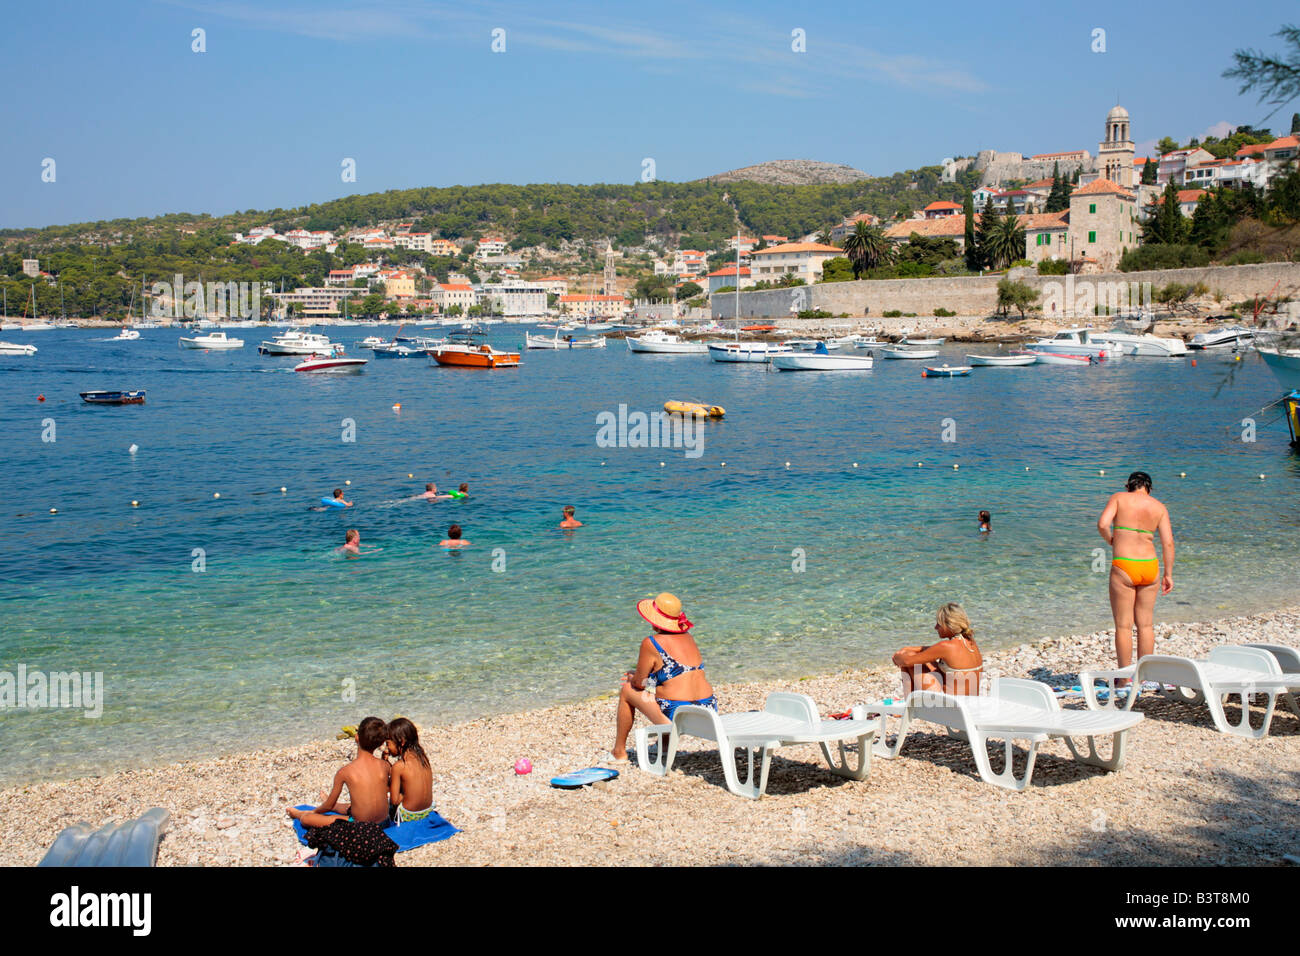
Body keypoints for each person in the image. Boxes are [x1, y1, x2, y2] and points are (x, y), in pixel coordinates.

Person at [609, 592, 715, 763]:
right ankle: (664, 745)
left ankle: (619, 752)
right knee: (660, 684)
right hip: (707, 709)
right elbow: (673, 676)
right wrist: (646, 679)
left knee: (627, 691)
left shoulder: (652, 642)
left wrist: (632, 678)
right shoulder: (689, 637)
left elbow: (639, 684)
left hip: (678, 712)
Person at [1098, 471, 1174, 680]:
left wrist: (1111, 540)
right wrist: (1168, 574)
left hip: (1124, 566)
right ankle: (1145, 678)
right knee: (1146, 624)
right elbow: (1168, 542)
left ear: (1128, 486)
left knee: (1123, 625)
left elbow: (1103, 524)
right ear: (1149, 488)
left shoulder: (1119, 498)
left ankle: (1124, 681)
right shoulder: (1159, 507)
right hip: (1150, 567)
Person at [288, 716, 391, 828]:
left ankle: (298, 814)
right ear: (381, 744)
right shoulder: (385, 766)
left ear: (356, 737)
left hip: (361, 827)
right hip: (384, 822)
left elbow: (327, 807)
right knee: (352, 806)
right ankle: (336, 806)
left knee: (307, 819)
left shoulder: (345, 772)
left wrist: (315, 811)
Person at [891, 603, 983, 696]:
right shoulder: (970, 642)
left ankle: (910, 706)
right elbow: (931, 651)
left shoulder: (946, 646)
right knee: (919, 658)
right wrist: (908, 648)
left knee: (911, 665)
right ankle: (912, 704)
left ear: (948, 624)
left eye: (939, 624)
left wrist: (897, 657)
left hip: (950, 705)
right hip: (970, 702)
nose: (935, 627)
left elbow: (906, 661)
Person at [385, 717, 434, 825]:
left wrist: (405, 794)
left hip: (409, 815)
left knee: (384, 790)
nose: (386, 748)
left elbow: (394, 800)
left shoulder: (399, 766)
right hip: (427, 810)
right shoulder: (422, 757)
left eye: (388, 743)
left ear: (401, 742)